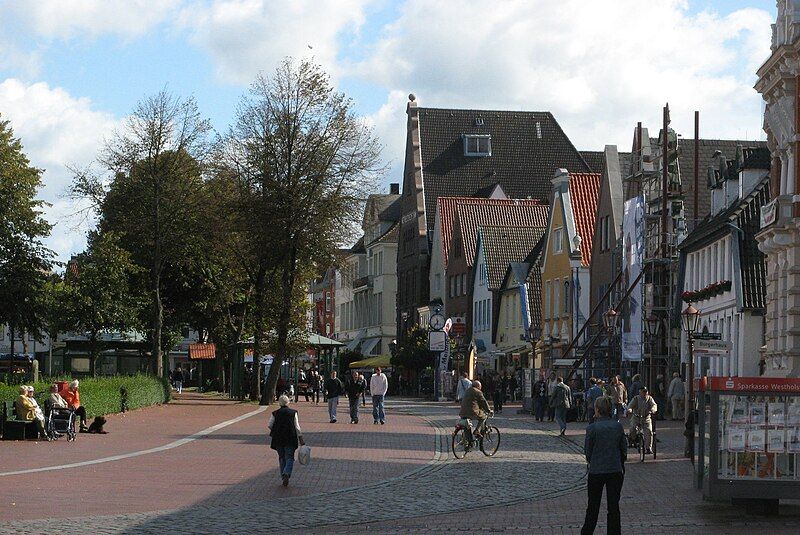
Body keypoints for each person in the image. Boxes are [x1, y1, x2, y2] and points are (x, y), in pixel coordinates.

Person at [581, 396, 626, 535]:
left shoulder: (592, 428)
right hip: (615, 469)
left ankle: (587, 532)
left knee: (593, 506)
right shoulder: (618, 426)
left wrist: (592, 460)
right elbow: (623, 449)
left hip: (597, 471)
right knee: (613, 506)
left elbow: (588, 452)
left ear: (597, 410)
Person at [267, 395, 305, 487]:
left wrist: (275, 430)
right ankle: (287, 472)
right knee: (290, 457)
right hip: (290, 437)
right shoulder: (293, 413)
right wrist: (301, 438)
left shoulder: (275, 413)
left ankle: (283, 475)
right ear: (288, 402)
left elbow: (270, 425)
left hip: (278, 438)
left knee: (281, 457)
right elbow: (297, 427)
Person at [627, 386, 657, 454]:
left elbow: (654, 405)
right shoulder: (636, 398)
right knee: (632, 428)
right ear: (640, 392)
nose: (645, 393)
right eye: (643, 392)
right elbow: (630, 406)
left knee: (649, 432)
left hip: (646, 418)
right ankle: (633, 439)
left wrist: (653, 409)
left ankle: (648, 448)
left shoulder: (649, 398)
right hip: (636, 417)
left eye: (646, 392)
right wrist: (630, 409)